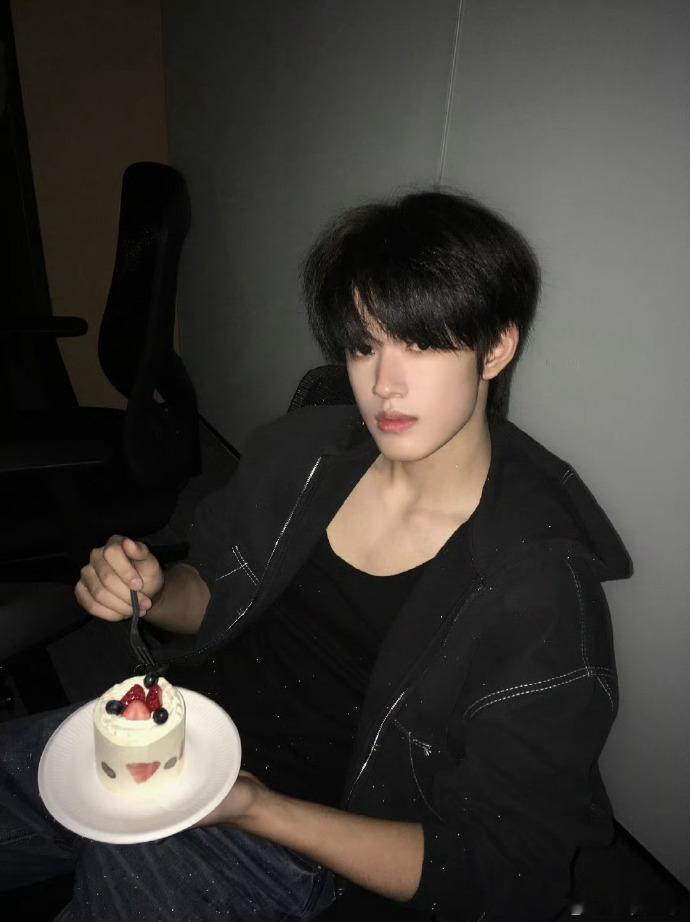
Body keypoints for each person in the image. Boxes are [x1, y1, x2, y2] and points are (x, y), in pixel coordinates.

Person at [0, 190, 631, 922]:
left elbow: (502, 872)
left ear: (495, 348)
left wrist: (257, 809)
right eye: (364, 346)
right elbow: (213, 593)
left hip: (286, 836)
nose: (384, 384)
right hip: (174, 733)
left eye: (421, 343)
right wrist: (154, 588)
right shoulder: (302, 453)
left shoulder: (537, 591)